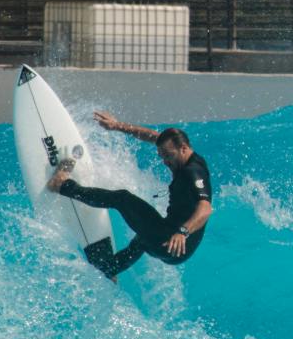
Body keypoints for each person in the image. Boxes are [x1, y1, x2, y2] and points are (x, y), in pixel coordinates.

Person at [47, 111, 212, 280]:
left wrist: (182, 232)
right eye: (162, 156)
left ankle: (62, 185)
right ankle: (110, 269)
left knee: (122, 199)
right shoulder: (181, 152)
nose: (165, 161)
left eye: (168, 156)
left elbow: (205, 208)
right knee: (143, 238)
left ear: (183, 149)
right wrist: (117, 126)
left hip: (172, 242)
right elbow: (154, 137)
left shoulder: (194, 172)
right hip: (174, 243)